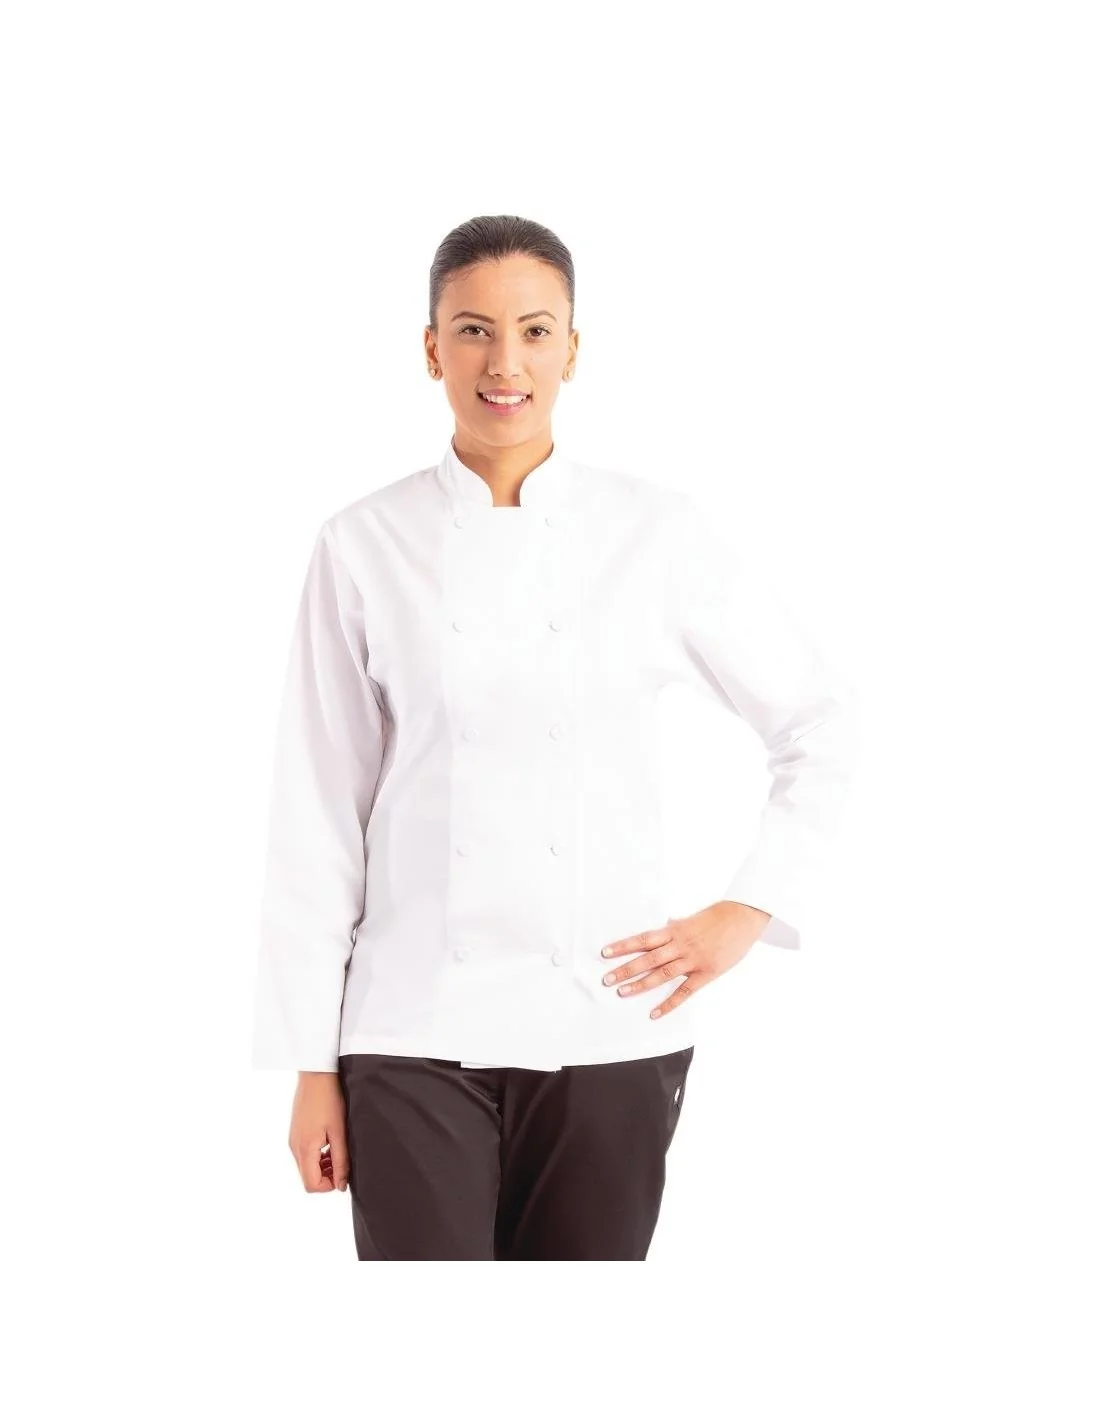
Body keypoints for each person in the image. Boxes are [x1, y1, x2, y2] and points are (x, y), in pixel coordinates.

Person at [251, 213, 858, 1260]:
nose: (505, 363)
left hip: (610, 1023)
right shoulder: (361, 544)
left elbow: (819, 722)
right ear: (431, 348)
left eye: (535, 332)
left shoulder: (655, 532)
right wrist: (310, 1064)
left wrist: (748, 908)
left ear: (572, 349)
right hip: (408, 1029)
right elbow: (318, 813)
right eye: (473, 331)